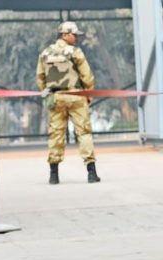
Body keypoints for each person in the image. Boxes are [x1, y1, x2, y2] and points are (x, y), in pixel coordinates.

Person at [36, 21, 100, 184]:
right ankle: (91, 173)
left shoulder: (45, 53)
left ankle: (53, 175)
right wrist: (89, 92)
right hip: (76, 97)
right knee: (84, 133)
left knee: (56, 133)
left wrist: (47, 93)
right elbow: (87, 75)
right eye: (74, 34)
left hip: (56, 98)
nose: (77, 37)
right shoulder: (75, 52)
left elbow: (40, 77)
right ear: (65, 34)